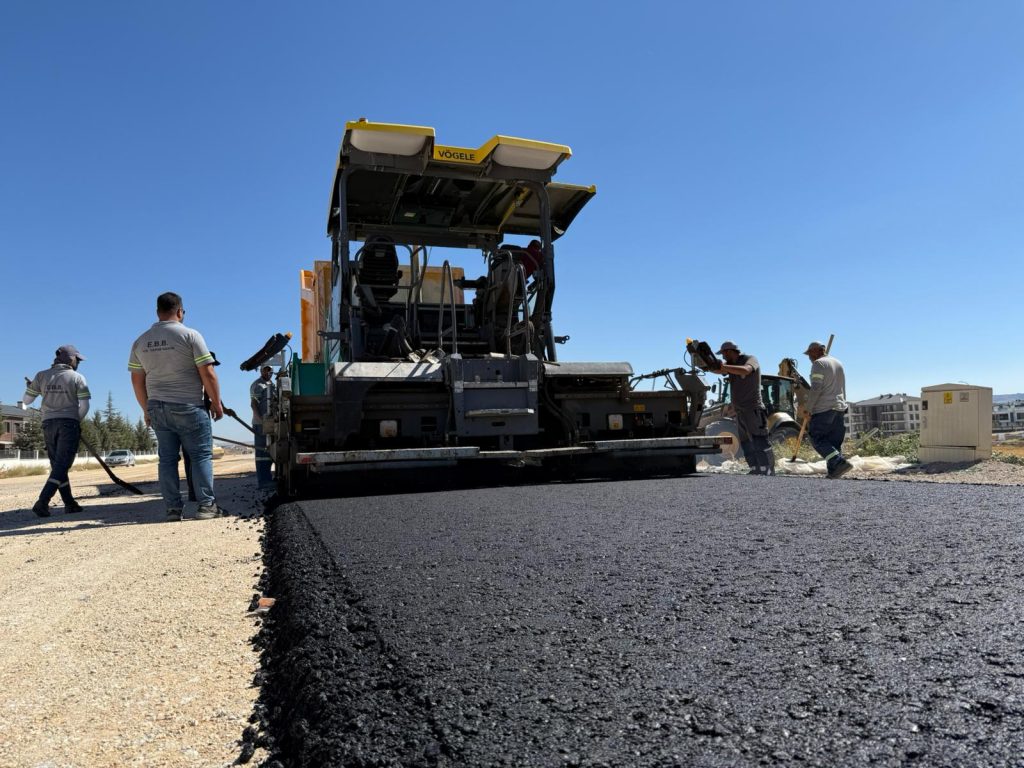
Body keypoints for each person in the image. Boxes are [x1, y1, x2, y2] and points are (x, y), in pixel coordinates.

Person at [129, 292, 224, 521]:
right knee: (201, 456)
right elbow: (208, 373)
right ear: (180, 312)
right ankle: (206, 507)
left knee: (168, 459)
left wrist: (146, 409)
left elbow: (136, 380)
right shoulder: (190, 335)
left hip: (158, 407)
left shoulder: (141, 341)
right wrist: (216, 403)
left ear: (157, 313)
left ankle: (173, 509)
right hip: (189, 405)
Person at [22, 345, 91, 516]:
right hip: (68, 423)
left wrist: (32, 387)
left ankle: (69, 503)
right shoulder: (78, 378)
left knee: (58, 465)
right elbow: (85, 405)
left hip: (48, 424)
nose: (79, 363)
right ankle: (42, 501)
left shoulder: (41, 376)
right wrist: (75, 421)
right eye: (78, 359)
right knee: (62, 465)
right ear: (71, 359)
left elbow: (27, 400)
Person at [711, 341, 775, 475]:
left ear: (729, 351)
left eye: (723, 354)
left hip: (753, 409)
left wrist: (724, 366)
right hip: (740, 411)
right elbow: (719, 370)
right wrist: (707, 365)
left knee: (759, 440)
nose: (723, 357)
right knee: (746, 442)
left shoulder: (750, 359)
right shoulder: (732, 365)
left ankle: (767, 469)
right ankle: (755, 468)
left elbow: (746, 370)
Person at [801, 341, 852, 479]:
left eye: (810, 353)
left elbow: (816, 388)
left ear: (818, 351)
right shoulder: (838, 363)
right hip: (839, 407)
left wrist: (808, 408)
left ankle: (838, 461)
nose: (809, 357)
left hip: (824, 408)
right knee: (834, 442)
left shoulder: (818, 364)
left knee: (817, 438)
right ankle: (834, 471)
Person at [250, 365, 275, 490]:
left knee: (271, 452)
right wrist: (260, 421)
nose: (268, 372)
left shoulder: (272, 384)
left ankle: (270, 479)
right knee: (262, 453)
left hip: (272, 423)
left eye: (270, 370)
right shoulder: (258, 385)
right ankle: (263, 481)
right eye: (266, 369)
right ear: (261, 370)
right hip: (261, 424)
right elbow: (253, 404)